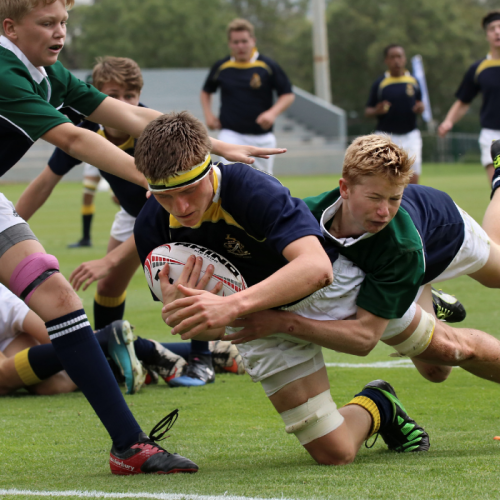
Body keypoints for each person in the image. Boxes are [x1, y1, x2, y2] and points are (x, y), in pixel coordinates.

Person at [0, 0, 283, 475]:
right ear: (10, 27)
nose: (60, 32)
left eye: (64, 22)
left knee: (60, 300)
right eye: (47, 23)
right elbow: (74, 139)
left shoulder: (45, 74)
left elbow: (124, 114)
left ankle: (129, 446)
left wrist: (213, 146)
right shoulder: (5, 71)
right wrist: (166, 180)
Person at [132, 111, 429, 465]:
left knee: (446, 353)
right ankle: (381, 404)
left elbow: (316, 268)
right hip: (254, 317)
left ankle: (430, 299)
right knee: (334, 452)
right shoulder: (151, 230)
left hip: (320, 291)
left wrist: (232, 306)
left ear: (209, 168)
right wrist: (188, 314)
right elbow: (210, 325)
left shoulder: (250, 189)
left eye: (190, 190)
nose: (181, 207)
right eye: (167, 196)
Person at [225, 134, 500, 391]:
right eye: (374, 198)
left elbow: (364, 339)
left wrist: (281, 323)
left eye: (395, 198)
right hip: (399, 268)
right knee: (436, 371)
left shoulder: (402, 249)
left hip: (445, 233)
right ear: (344, 189)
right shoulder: (306, 215)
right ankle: (406, 292)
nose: (384, 211)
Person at [15, 56, 222, 387]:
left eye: (132, 95)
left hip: (174, 210)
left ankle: (202, 359)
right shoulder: (84, 129)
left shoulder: (153, 136)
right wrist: (10, 226)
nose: (125, 104)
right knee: (109, 286)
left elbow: (162, 211)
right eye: (114, 95)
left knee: (183, 279)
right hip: (133, 211)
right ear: (95, 95)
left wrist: (109, 259)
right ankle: (110, 359)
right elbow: (43, 184)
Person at [201, 18, 295, 175]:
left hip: (262, 137)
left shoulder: (268, 65)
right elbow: (206, 91)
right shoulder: (221, 66)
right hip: (230, 135)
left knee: (264, 183)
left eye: (244, 41)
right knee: (230, 177)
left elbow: (287, 94)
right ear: (229, 43)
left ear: (253, 40)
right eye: (236, 42)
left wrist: (272, 113)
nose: (240, 46)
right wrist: (208, 115)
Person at [438, 11, 500, 183]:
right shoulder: (479, 69)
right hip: (492, 135)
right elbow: (464, 101)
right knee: (499, 190)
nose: (497, 32)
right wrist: (448, 121)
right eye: (492, 28)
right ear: (487, 35)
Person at [365, 44, 424, 184]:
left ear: (404, 59)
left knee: (413, 177)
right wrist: (376, 110)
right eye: (392, 57)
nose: (396, 60)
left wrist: (420, 108)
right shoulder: (380, 83)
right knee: (384, 177)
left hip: (410, 135)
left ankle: (410, 206)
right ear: (386, 60)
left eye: (399, 56)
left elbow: (420, 104)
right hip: (385, 137)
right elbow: (368, 110)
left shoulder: (414, 82)